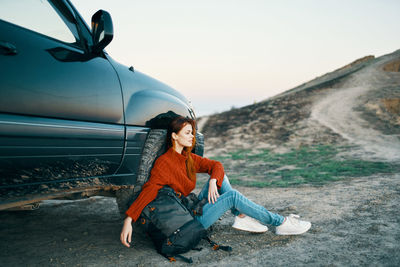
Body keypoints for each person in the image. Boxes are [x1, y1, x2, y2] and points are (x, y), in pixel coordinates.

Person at [120, 116, 311, 247]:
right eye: (187, 133)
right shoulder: (164, 163)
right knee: (232, 196)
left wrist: (213, 181)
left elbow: (217, 165)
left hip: (191, 208)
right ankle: (280, 223)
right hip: (187, 222)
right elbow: (150, 190)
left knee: (220, 178)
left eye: (192, 132)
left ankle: (242, 218)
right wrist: (129, 220)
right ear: (174, 136)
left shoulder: (188, 158)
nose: (192, 136)